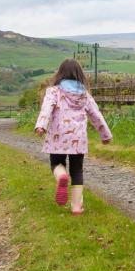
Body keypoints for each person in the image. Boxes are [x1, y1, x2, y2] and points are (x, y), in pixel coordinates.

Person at [35, 58, 113, 215]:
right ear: (79, 75)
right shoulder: (85, 95)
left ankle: (62, 176)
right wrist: (105, 134)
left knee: (56, 163)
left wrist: (41, 125)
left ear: (60, 74)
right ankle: (77, 207)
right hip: (78, 139)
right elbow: (96, 115)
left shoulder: (54, 91)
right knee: (77, 171)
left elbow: (46, 109)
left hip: (58, 137)